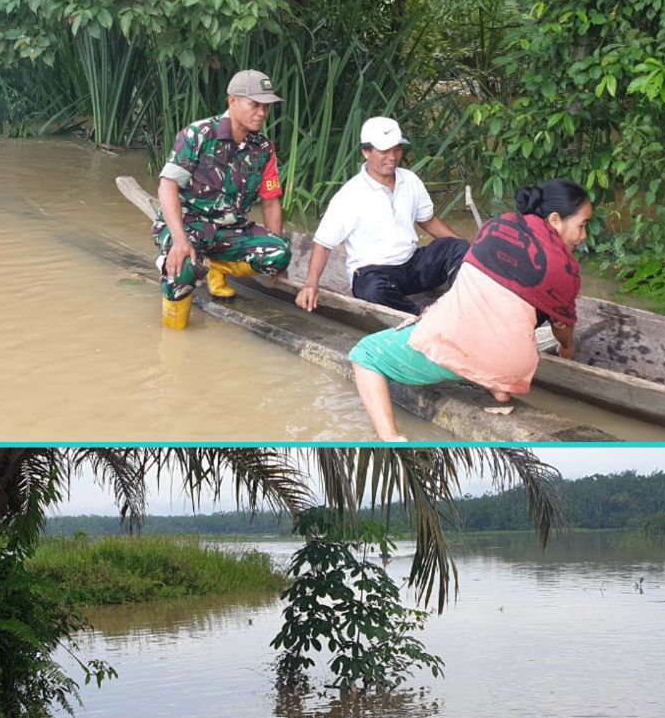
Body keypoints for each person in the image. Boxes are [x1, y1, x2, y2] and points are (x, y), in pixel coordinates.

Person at [347, 178, 591, 440]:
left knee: (365, 355)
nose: (583, 235)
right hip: (514, 364)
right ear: (554, 220)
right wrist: (567, 348)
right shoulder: (567, 271)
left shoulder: (498, 225)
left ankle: (390, 439)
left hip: (463, 344)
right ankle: (499, 388)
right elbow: (562, 325)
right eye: (582, 225)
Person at [153, 69, 291, 330]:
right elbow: (167, 187)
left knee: (279, 254)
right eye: (255, 104)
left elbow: (271, 201)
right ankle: (173, 338)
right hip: (189, 224)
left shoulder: (262, 148)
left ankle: (218, 268)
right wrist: (180, 242)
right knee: (181, 272)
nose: (262, 112)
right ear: (233, 101)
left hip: (230, 230)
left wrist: (275, 260)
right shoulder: (198, 135)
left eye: (266, 106)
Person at [295, 116, 468, 316]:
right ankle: (419, 315)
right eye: (385, 151)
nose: (393, 157)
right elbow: (323, 244)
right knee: (371, 289)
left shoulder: (410, 180)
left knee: (458, 247)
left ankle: (464, 302)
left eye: (397, 149)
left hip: (411, 265)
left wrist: (471, 253)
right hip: (375, 273)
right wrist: (311, 284)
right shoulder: (350, 195)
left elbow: (428, 221)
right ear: (366, 152)